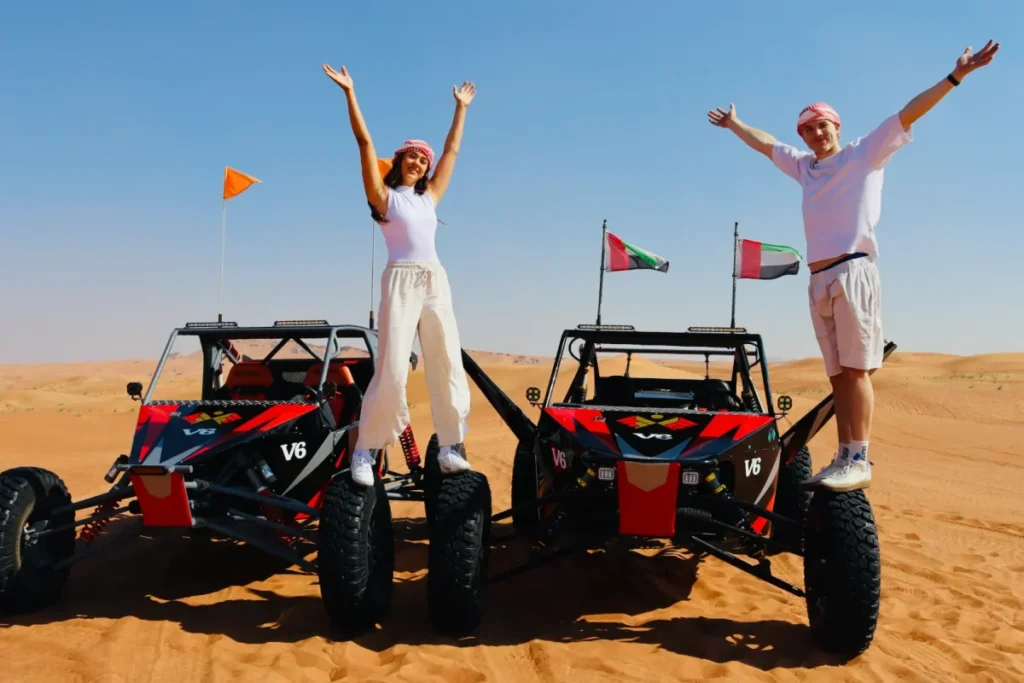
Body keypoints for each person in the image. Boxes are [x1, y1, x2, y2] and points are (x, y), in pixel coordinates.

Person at [708, 40, 999, 492]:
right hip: (818, 279)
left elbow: (909, 112)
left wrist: (956, 75)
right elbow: (767, 145)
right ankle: (844, 455)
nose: (816, 134)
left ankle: (859, 456)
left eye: (822, 126)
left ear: (836, 126)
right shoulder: (805, 168)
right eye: (808, 130)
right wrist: (734, 124)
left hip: (853, 270)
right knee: (838, 376)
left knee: (858, 371)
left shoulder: (864, 154)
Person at [322, 62, 477, 487]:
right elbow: (363, 141)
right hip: (401, 280)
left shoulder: (430, 198)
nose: (418, 161)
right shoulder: (385, 198)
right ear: (399, 160)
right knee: (391, 367)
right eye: (411, 155)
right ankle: (366, 450)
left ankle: (450, 445)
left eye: (422, 159)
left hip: (434, 279)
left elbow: (453, 153)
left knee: (446, 359)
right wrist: (350, 93)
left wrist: (460, 109)